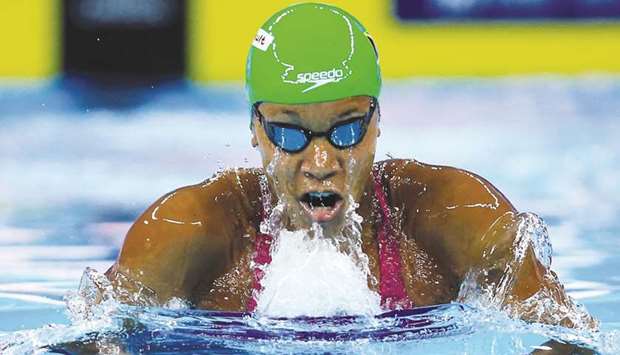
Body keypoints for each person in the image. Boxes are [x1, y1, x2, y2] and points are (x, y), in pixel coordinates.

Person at [104, 2, 594, 330]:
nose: (320, 162)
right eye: (289, 133)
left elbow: (568, 336)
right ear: (254, 129)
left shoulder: (455, 217)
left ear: (377, 121)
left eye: (346, 130)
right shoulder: (187, 232)